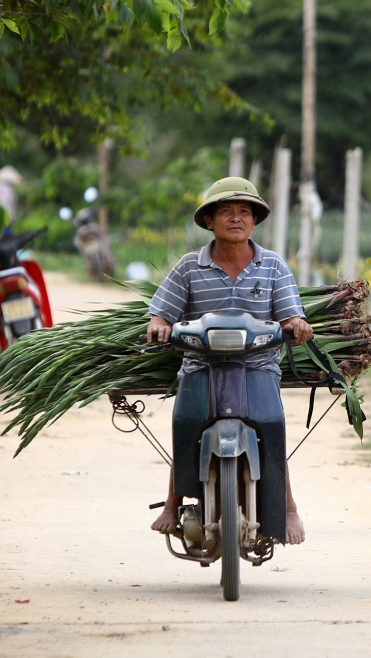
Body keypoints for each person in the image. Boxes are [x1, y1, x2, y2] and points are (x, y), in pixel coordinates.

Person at [147, 177, 314, 545]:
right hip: (200, 366)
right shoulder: (190, 266)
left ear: (254, 222)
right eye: (225, 212)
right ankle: (172, 506)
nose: (235, 218)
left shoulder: (272, 265)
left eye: (244, 212)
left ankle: (287, 509)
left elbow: (290, 314)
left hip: (257, 366)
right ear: (210, 221)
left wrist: (296, 325)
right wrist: (159, 327)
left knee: (272, 428)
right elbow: (161, 313)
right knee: (187, 425)